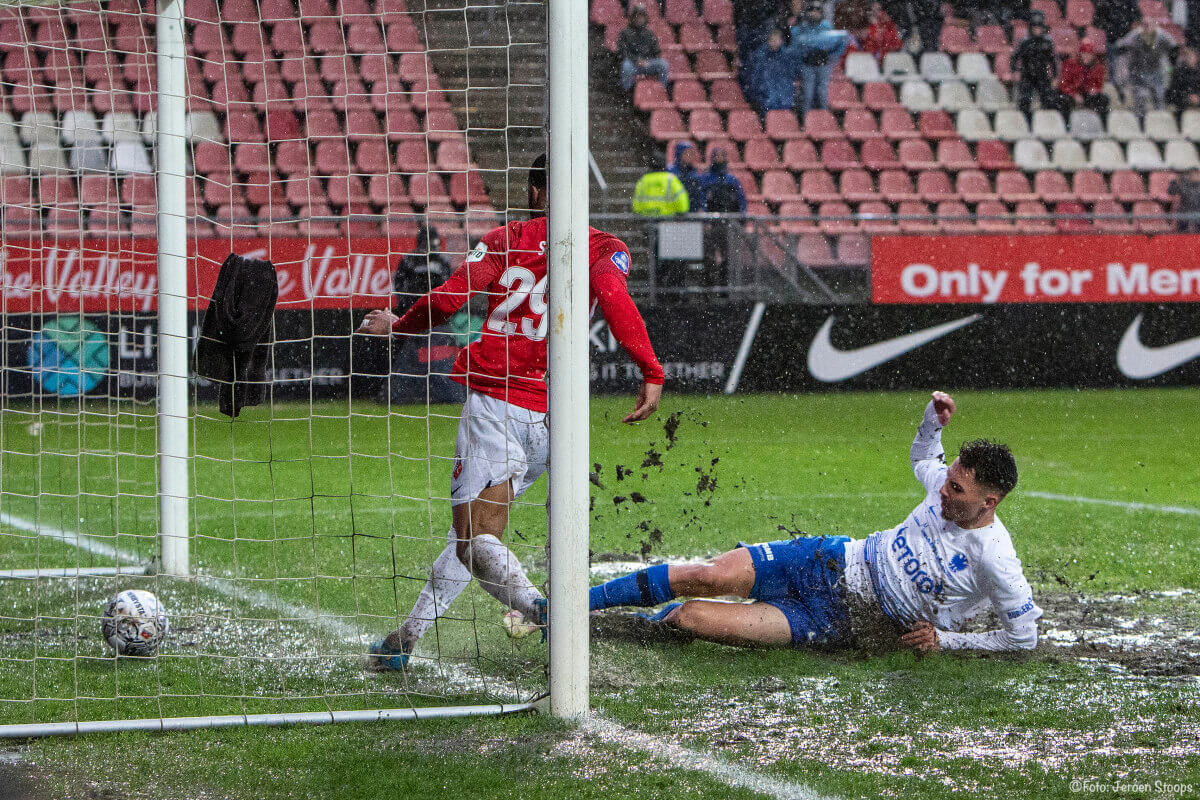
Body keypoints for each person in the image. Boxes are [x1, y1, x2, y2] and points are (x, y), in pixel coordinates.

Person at [357, 155, 666, 669]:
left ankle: (543, 611)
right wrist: (650, 370)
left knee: (475, 540)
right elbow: (616, 302)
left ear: (535, 191)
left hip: (496, 407)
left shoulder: (506, 239)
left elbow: (450, 298)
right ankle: (404, 639)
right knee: (469, 540)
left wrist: (400, 326)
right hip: (555, 420)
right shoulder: (605, 248)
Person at [590, 392, 1043, 655]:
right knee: (706, 576)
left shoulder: (996, 559)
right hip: (827, 559)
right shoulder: (942, 487)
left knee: (690, 617)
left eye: (957, 490)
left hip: (839, 621)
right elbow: (926, 456)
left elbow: (1023, 639)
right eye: (947, 481)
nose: (943, 491)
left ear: (989, 501)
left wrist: (947, 641)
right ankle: (567, 609)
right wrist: (932, 423)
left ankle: (617, 624)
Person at [388, 224, 470, 404]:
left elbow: (448, 290)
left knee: (435, 359)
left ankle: (422, 392)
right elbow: (402, 290)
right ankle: (416, 393)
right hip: (423, 321)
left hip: (430, 321)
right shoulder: (414, 260)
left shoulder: (437, 261)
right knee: (425, 360)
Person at [791, 1, 854, 118]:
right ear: (807, 12)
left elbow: (839, 42)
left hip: (823, 65)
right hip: (807, 65)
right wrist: (805, 54)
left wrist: (832, 55)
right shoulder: (801, 28)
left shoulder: (826, 26)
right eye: (812, 10)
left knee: (822, 94)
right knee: (808, 95)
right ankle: (807, 122)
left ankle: (824, 122)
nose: (814, 13)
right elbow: (796, 46)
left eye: (817, 11)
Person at [700, 147, 747, 290]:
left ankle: (724, 289)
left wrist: (741, 218)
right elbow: (702, 201)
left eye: (722, 155)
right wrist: (706, 221)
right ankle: (709, 289)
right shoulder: (706, 179)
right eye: (717, 156)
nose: (719, 158)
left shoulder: (731, 180)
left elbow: (741, 200)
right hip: (712, 226)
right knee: (709, 258)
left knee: (727, 258)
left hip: (728, 225)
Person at [1116, 20, 1178, 118]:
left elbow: (1174, 47)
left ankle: (1159, 121)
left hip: (1155, 71)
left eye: (1150, 25)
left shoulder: (1162, 35)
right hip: (1138, 72)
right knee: (1141, 97)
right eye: (1145, 25)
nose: (1148, 28)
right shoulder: (1135, 35)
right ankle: (1140, 122)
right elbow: (1120, 46)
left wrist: (1171, 66)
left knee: (1159, 97)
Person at [1010, 11, 1059, 122]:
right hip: (1027, 75)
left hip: (1042, 75)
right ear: (1031, 28)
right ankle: (1026, 123)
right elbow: (1014, 59)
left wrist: (1055, 77)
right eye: (1035, 27)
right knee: (1025, 101)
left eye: (1039, 27)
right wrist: (1016, 71)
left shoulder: (1047, 42)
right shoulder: (1024, 42)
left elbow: (1053, 61)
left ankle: (1046, 124)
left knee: (1049, 100)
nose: (1037, 30)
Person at [617, 4, 670, 92]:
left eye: (641, 16)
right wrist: (637, 60)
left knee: (663, 64)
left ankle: (661, 92)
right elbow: (623, 51)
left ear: (645, 18)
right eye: (637, 16)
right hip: (633, 64)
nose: (639, 19)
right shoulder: (624, 32)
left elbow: (656, 51)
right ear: (633, 17)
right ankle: (627, 93)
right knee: (626, 66)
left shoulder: (649, 33)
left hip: (647, 63)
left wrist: (649, 60)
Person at [733, 0, 780, 98]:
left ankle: (756, 95)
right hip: (747, 27)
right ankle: (751, 95)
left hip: (759, 27)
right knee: (750, 65)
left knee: (759, 65)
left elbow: (774, 8)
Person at [748, 27, 798, 115]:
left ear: (781, 41)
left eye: (776, 40)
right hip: (767, 96)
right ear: (768, 41)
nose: (774, 42)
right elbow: (756, 77)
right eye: (772, 40)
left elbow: (790, 75)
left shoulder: (787, 56)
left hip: (784, 96)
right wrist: (760, 93)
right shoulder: (760, 55)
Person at [1056, 41, 1110, 117]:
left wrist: (1094, 90)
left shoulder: (1098, 68)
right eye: (1084, 54)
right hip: (1071, 94)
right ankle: (1066, 124)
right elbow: (1063, 85)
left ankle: (1103, 125)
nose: (1086, 56)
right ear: (1080, 54)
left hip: (1086, 94)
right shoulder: (1070, 65)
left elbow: (1098, 85)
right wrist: (1074, 94)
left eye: (1089, 54)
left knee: (1103, 100)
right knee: (1064, 101)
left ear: (1093, 56)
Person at [859, 1, 903, 65]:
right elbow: (868, 46)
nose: (876, 13)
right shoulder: (865, 25)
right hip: (870, 61)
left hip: (888, 60)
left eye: (878, 9)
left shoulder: (887, 23)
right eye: (873, 10)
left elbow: (897, 44)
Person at [669, 142, 707, 210]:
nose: (689, 156)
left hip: (693, 213)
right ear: (679, 154)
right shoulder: (671, 172)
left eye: (691, 153)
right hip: (675, 213)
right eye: (686, 153)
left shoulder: (696, 173)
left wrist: (701, 207)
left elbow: (700, 194)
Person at [1167, 46, 1200, 113]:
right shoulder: (1178, 72)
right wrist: (1188, 98)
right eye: (1188, 56)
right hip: (1182, 104)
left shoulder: (1198, 71)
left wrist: (1197, 96)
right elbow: (1174, 91)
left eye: (1192, 56)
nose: (1190, 59)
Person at [1168, 165, 1200, 232]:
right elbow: (1171, 192)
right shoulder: (1183, 183)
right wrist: (1175, 182)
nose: (1197, 175)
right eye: (1195, 173)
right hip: (1184, 214)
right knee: (1182, 231)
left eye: (1198, 173)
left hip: (1197, 214)